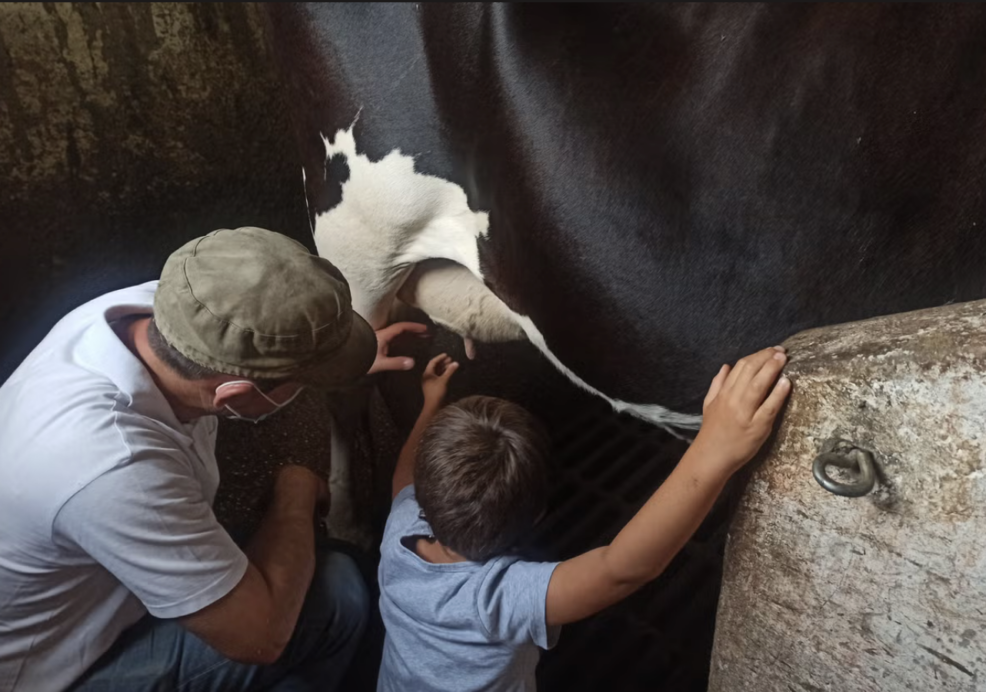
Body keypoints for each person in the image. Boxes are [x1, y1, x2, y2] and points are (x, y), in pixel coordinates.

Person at [0, 226, 427, 692]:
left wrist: (331, 356)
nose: (314, 383)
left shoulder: (162, 310)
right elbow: (258, 638)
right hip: (52, 666)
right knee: (340, 595)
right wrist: (294, 491)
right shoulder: (117, 467)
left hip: (94, 581)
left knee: (324, 561)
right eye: (306, 379)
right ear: (236, 396)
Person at [377, 347, 792, 691]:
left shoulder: (401, 522)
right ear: (540, 515)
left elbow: (403, 475)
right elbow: (621, 568)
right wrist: (715, 449)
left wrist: (429, 401)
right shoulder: (496, 599)